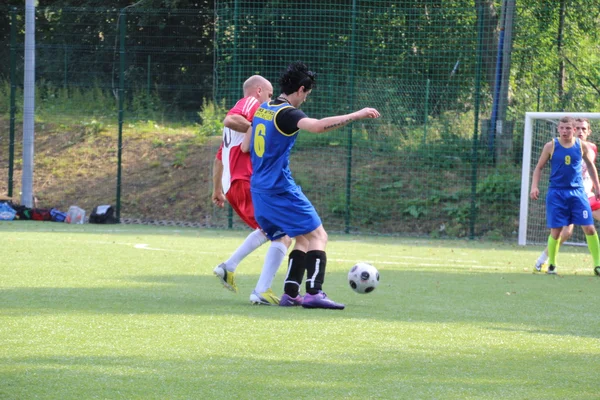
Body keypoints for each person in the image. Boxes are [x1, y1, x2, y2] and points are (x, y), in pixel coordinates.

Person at [249, 61, 380, 309]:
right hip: (279, 188)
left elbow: (247, 146)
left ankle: (290, 292)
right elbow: (318, 127)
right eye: (306, 94)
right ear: (300, 89)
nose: (305, 100)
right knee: (319, 235)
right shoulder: (287, 113)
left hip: (259, 189)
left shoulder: (263, 108)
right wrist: (357, 114)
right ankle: (314, 292)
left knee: (302, 238)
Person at [213, 74, 285, 303]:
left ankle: (230, 267)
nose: (269, 100)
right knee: (282, 233)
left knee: (271, 230)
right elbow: (230, 118)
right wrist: (256, 126)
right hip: (243, 181)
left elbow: (219, 158)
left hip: (234, 185)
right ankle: (260, 291)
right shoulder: (250, 104)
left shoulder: (232, 136)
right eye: (269, 94)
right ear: (258, 91)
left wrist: (217, 189)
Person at [530, 116, 600, 276]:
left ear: (587, 131)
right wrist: (534, 186)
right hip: (558, 193)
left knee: (589, 227)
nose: (566, 131)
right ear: (559, 129)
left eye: (583, 129)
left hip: (581, 194)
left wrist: (597, 186)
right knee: (561, 232)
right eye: (563, 128)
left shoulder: (587, 148)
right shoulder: (552, 146)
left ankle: (597, 265)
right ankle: (546, 262)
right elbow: (539, 167)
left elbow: (590, 166)